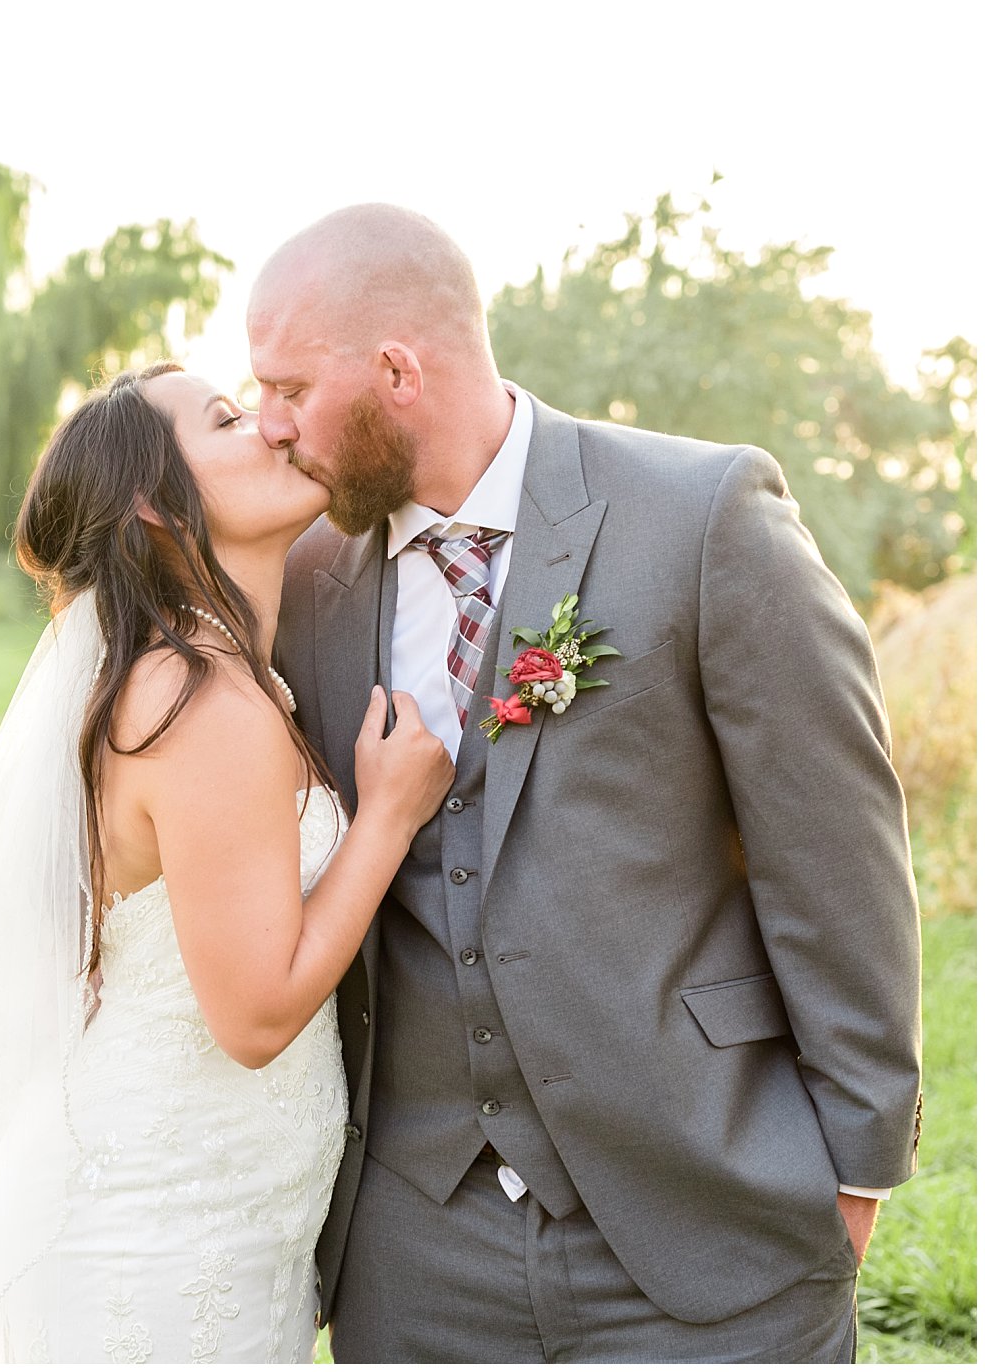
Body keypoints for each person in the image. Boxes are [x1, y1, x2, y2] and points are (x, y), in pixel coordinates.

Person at [252, 203, 924, 1362]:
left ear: (397, 371)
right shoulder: (305, 581)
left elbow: (835, 851)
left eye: (288, 389)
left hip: (702, 1206)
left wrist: (855, 1163)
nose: (268, 427)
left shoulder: (701, 516)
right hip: (418, 1246)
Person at [0, 363, 454, 1361]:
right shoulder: (197, 701)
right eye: (224, 420)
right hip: (162, 1231)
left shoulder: (203, 673)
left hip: (218, 1207)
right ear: (151, 502)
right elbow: (253, 1015)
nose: (268, 425)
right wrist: (386, 818)